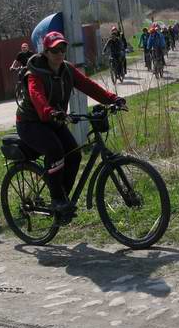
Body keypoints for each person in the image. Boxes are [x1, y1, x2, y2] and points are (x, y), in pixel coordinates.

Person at [17, 31, 126, 223]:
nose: (59, 53)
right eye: (54, 50)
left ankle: (62, 200)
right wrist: (50, 112)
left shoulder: (67, 69)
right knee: (55, 150)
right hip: (31, 123)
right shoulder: (34, 73)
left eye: (63, 48)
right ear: (46, 52)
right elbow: (37, 96)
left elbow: (88, 85)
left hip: (55, 120)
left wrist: (112, 99)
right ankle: (57, 199)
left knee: (74, 154)